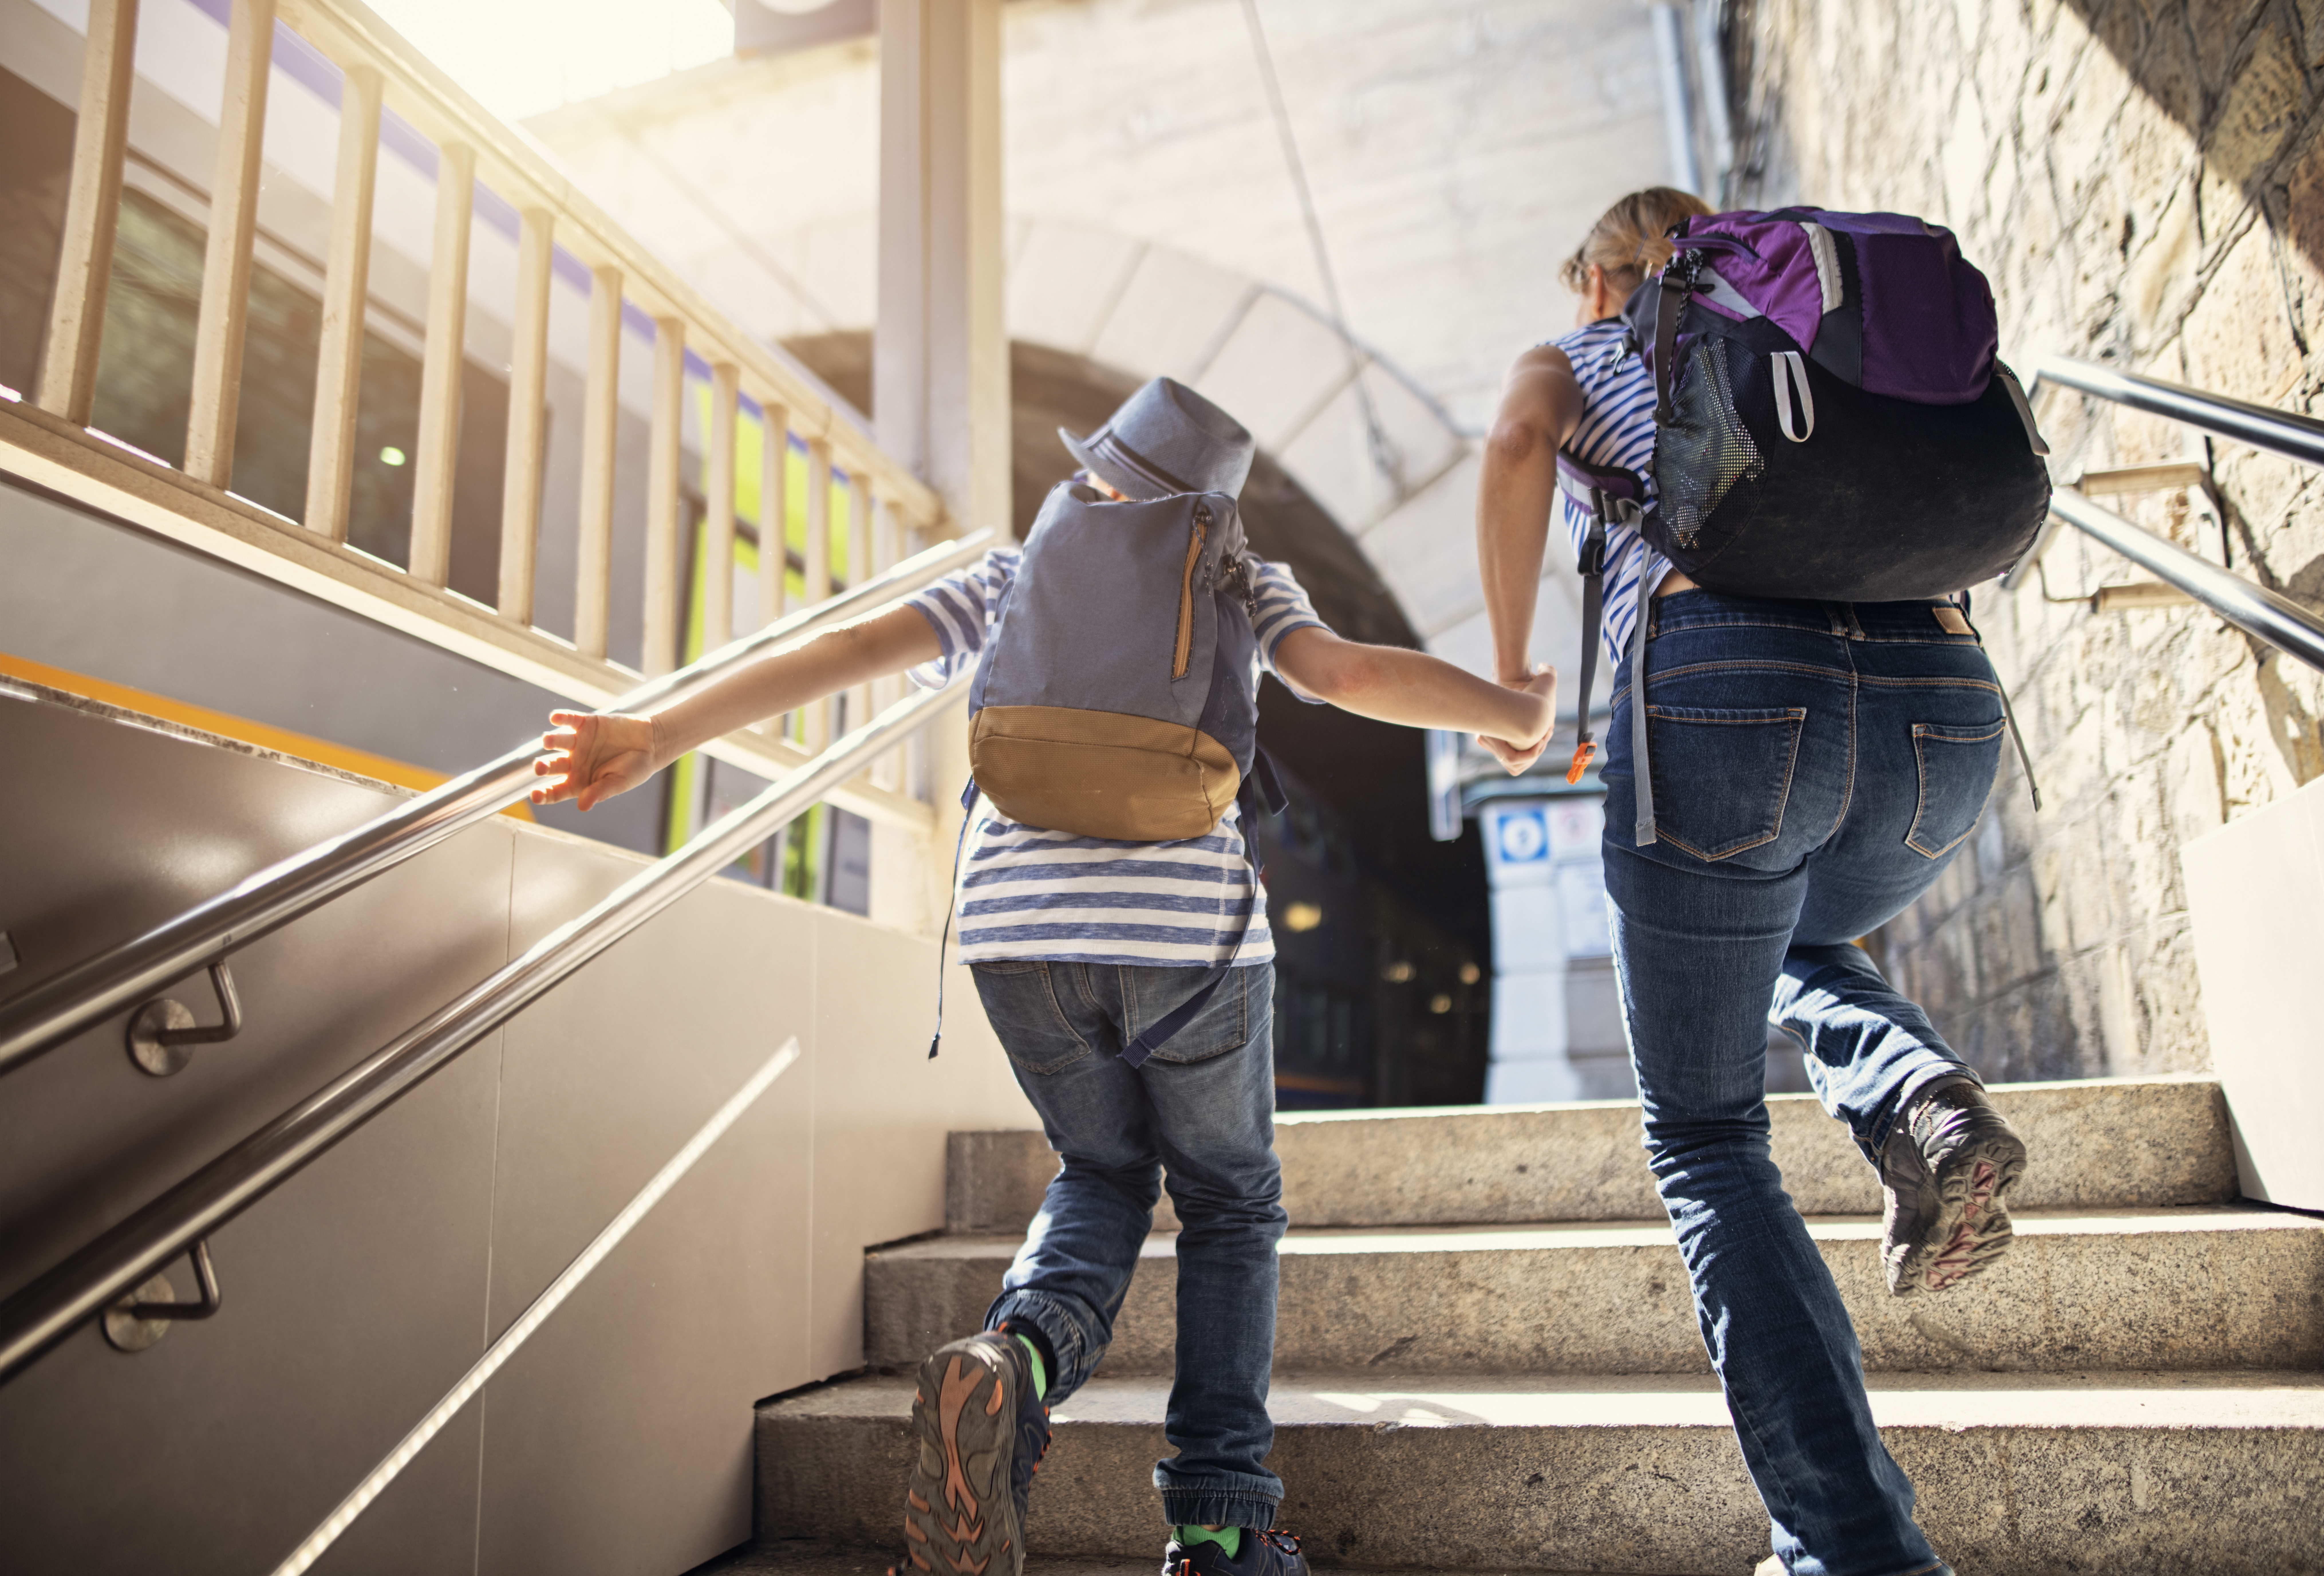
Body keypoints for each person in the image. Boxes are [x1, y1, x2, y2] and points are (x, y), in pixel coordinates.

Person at [532, 376, 1557, 1576]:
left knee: (1104, 1171)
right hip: (1192, 944)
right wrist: (1513, 713)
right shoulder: (1237, 576)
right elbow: (1346, 676)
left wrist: (654, 731)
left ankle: (1013, 1361)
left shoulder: (1019, 570)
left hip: (1018, 934)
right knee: (1229, 1203)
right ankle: (1222, 1523)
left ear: (1096, 474)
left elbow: (851, 647)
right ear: (1213, 507)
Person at [1471, 188, 2030, 1576]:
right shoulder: (1820, 337)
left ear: (1603, 277)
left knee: (1711, 1137)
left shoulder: (1586, 346)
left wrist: (1510, 673)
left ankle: (1853, 1550)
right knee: (1783, 927)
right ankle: (1916, 1090)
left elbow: (1513, 441)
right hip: (1943, 710)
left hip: (1725, 696)